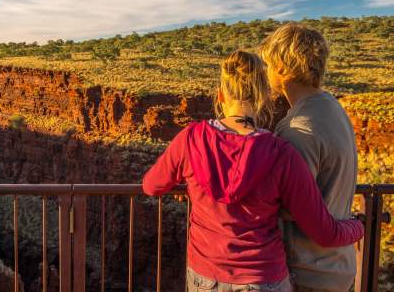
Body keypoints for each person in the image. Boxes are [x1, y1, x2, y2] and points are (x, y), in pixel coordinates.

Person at [142, 50, 363, 292]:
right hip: (264, 279)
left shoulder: (191, 139)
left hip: (205, 277)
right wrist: (358, 225)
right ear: (264, 97)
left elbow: (151, 186)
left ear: (220, 95)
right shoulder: (281, 154)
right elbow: (325, 233)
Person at [260, 24, 359, 292]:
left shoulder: (298, 129)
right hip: (338, 266)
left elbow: (294, 206)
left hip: (308, 274)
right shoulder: (333, 108)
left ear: (281, 66)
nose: (266, 72)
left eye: (268, 64)